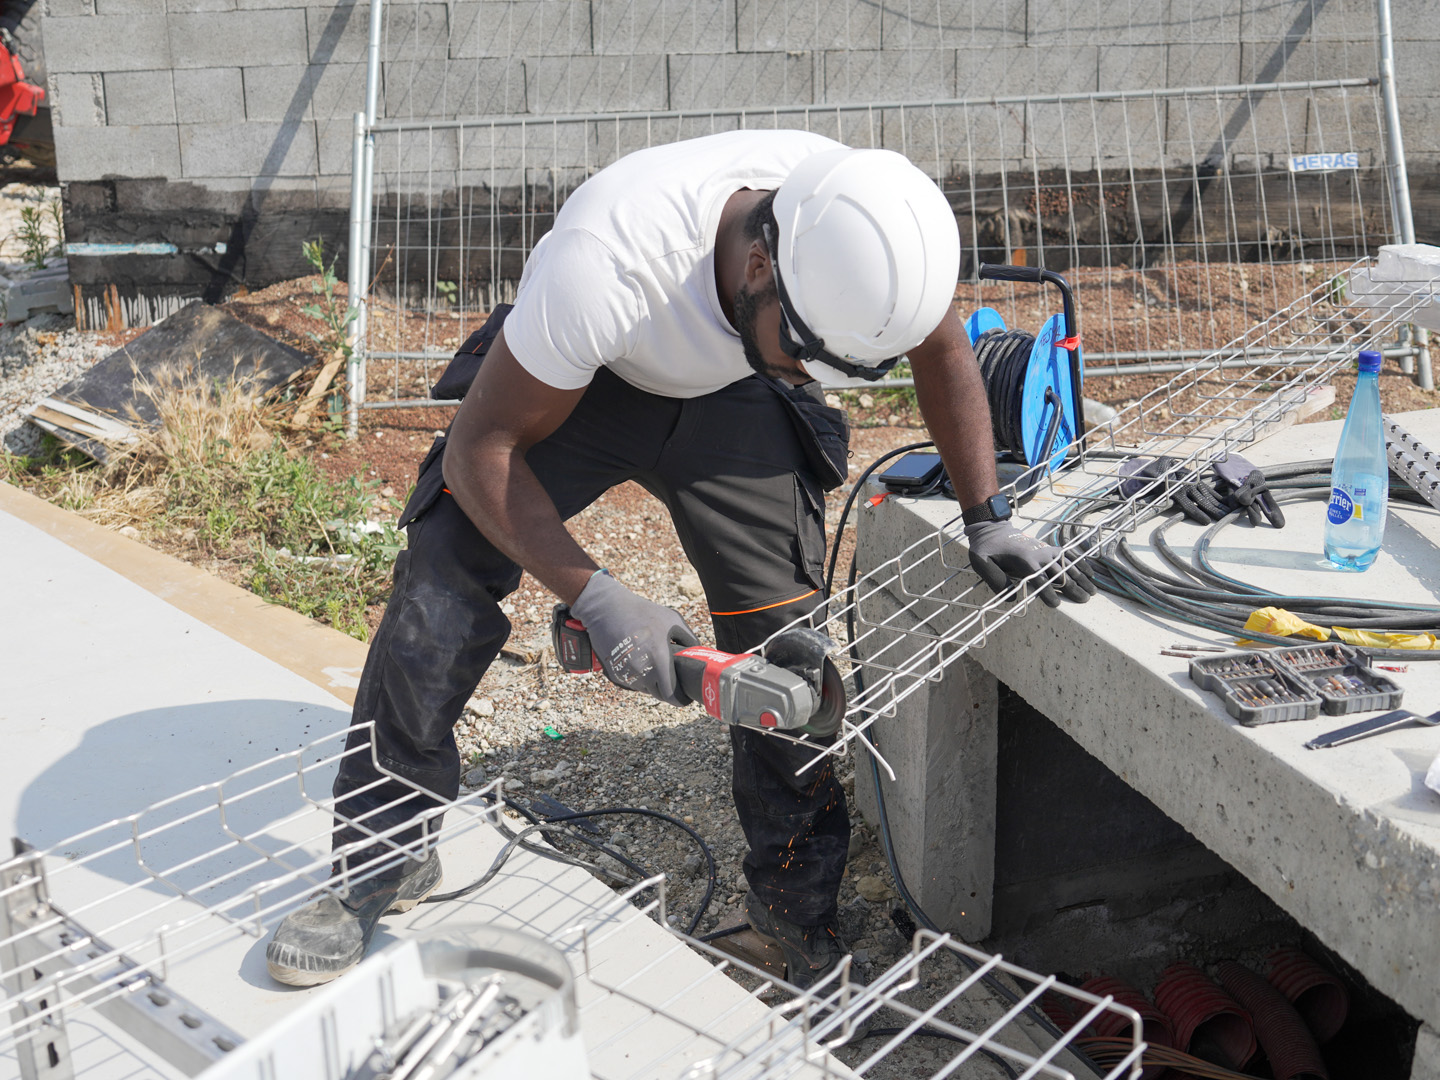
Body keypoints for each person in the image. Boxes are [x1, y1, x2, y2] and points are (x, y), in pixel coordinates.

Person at [265, 130, 1094, 989]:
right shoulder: (607, 266)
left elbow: (944, 349)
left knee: (785, 643)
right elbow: (484, 449)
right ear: (761, 266)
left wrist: (986, 517)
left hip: (734, 390)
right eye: (807, 352)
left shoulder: (861, 229)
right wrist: (595, 593)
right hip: (594, 380)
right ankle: (380, 857)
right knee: (442, 572)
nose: (815, 376)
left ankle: (791, 914)